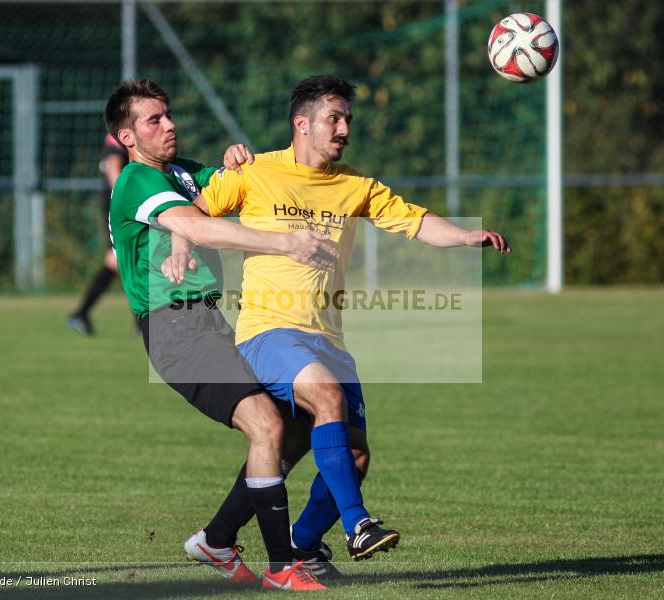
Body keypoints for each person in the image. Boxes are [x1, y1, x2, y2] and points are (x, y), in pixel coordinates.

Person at [167, 74, 510, 579]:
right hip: (268, 329)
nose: (345, 128)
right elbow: (191, 214)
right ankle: (358, 524)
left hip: (328, 336)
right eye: (335, 117)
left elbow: (414, 221)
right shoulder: (255, 170)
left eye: (348, 118)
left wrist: (463, 237)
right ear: (301, 124)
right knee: (325, 399)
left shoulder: (356, 186)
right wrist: (179, 249)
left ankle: (292, 543)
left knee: (353, 453)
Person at [106, 78, 340, 591]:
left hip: (213, 322)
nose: (169, 125)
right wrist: (285, 243)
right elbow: (204, 226)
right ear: (127, 138)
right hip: (174, 330)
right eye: (154, 120)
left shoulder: (186, 173)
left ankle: (217, 538)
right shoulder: (136, 182)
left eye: (168, 115)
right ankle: (283, 566)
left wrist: (240, 162)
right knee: (265, 424)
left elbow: (240, 191)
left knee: (297, 422)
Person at [66, 133, 128, 336]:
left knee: (124, 259)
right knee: (121, 258)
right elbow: (112, 165)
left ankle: (81, 314)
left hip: (119, 204)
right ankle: (80, 314)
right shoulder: (122, 130)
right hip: (119, 205)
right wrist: (126, 198)